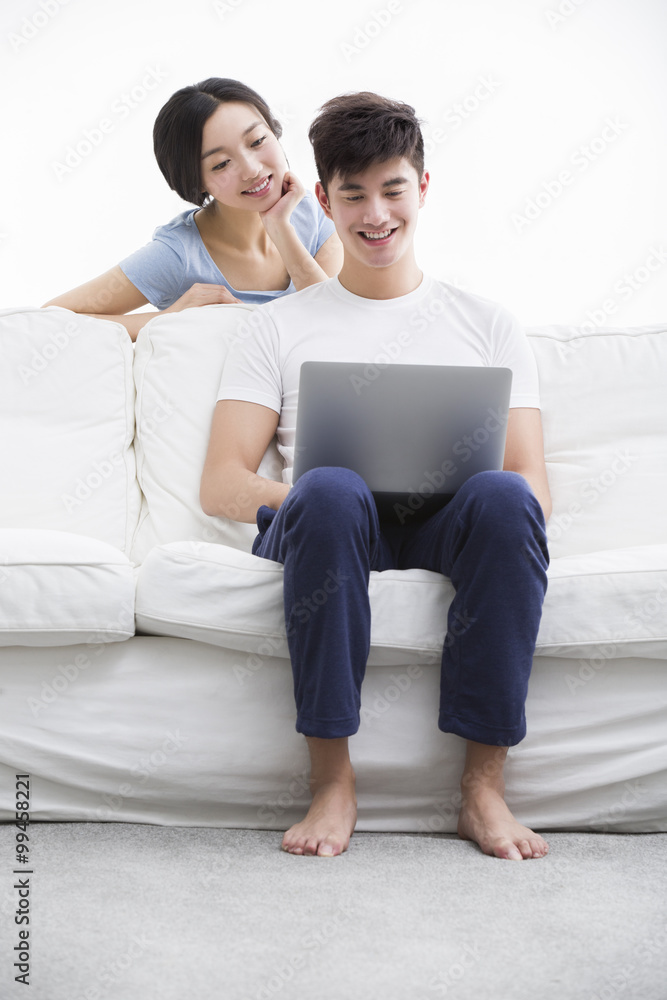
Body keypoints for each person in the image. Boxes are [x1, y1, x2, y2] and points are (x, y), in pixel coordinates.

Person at [200, 91, 552, 861]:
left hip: (447, 528)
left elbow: (533, 486)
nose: (375, 214)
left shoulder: (487, 323)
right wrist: (315, 497)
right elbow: (222, 484)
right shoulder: (278, 327)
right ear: (322, 201)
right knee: (329, 487)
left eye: (392, 189)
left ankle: (482, 790)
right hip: (327, 530)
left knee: (501, 494)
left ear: (422, 188)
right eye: (352, 195)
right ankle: (332, 782)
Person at [42, 78, 343, 340]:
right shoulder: (179, 254)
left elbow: (337, 325)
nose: (251, 170)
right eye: (221, 163)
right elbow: (50, 320)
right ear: (196, 182)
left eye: (257, 141)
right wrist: (168, 319)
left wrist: (281, 229)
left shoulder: (315, 212)